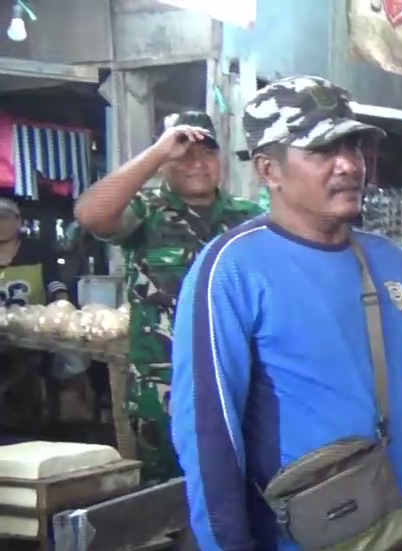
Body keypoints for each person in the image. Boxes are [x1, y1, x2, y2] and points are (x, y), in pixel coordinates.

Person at [168, 76, 402, 551]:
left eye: (353, 147)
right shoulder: (232, 268)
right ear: (269, 169)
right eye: (322, 150)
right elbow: (208, 427)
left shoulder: (389, 262)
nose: (350, 164)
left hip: (389, 526)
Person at [74, 111, 263, 483]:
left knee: (238, 488)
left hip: (237, 381)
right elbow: (90, 215)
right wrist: (159, 151)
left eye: (207, 152)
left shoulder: (249, 218)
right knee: (168, 499)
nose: (197, 163)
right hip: (163, 390)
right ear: (164, 164)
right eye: (183, 154)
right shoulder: (145, 213)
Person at [0, 198, 69, 307]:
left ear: (18, 222)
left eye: (5, 217)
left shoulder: (38, 251)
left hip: (32, 321)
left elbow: (53, 282)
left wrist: (61, 301)